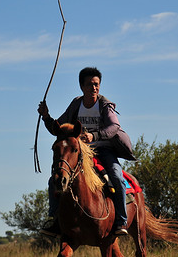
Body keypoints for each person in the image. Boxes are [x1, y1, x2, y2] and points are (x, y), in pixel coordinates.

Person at [38, 67, 136, 236]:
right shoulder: (76, 104)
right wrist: (46, 117)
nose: (94, 88)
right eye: (90, 85)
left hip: (104, 150)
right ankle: (54, 220)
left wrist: (94, 135)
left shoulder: (104, 105)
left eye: (97, 84)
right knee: (54, 180)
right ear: (82, 87)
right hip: (80, 152)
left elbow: (114, 127)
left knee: (116, 176)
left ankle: (121, 220)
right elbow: (58, 129)